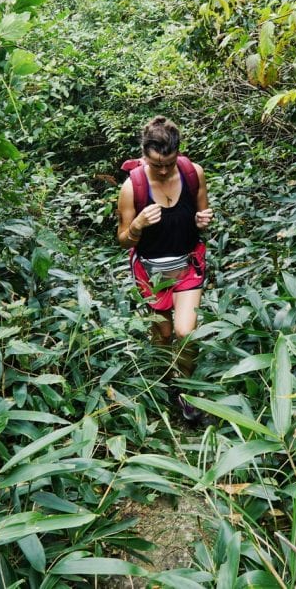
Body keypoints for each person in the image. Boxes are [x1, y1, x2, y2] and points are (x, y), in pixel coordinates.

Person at [117, 116, 213, 417]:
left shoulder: (193, 173)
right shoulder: (132, 187)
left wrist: (203, 221)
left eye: (169, 164)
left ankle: (187, 394)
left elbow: (203, 215)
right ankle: (163, 384)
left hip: (186, 267)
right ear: (144, 156)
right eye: (156, 163)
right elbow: (122, 239)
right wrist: (137, 225)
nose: (162, 170)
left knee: (185, 333)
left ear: (178, 155)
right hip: (151, 273)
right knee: (162, 336)